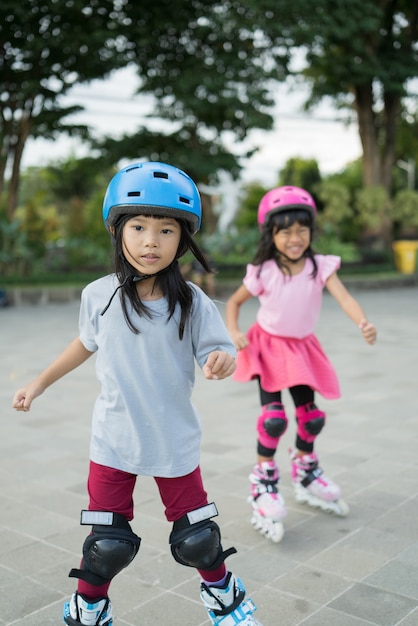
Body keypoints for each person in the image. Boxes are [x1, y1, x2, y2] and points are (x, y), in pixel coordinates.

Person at [12, 162, 263, 626]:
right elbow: (84, 344)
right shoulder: (98, 295)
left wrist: (222, 361)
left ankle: (224, 602)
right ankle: (87, 609)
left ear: (182, 239)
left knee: (198, 538)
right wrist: (39, 382)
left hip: (174, 439)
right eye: (140, 226)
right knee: (106, 544)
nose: (152, 240)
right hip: (113, 440)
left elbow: (219, 350)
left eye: (167, 229)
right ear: (118, 231)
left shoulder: (193, 302)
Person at [225, 185, 377, 543]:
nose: (295, 238)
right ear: (271, 234)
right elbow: (233, 302)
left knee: (312, 417)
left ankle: (306, 471)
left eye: (302, 230)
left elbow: (344, 297)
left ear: (311, 230)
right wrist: (233, 331)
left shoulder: (318, 266)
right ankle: (263, 480)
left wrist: (363, 323)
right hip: (267, 346)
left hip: (301, 349)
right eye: (286, 231)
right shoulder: (263, 271)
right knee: (274, 419)